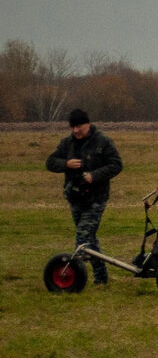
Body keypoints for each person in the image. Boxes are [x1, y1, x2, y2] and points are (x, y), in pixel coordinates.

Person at [46, 109, 123, 285]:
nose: (75, 131)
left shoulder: (103, 142)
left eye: (79, 126)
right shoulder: (67, 144)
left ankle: (71, 279)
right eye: (72, 127)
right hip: (75, 198)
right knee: (90, 239)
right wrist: (66, 164)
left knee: (82, 239)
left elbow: (116, 165)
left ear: (88, 124)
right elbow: (50, 162)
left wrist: (94, 176)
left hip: (96, 199)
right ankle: (101, 278)